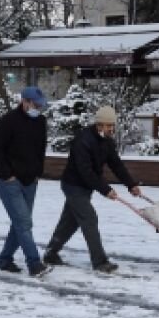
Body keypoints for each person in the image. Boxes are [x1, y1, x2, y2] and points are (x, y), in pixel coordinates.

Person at [43, 105, 142, 274]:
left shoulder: (107, 141)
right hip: (73, 185)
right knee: (89, 218)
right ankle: (100, 261)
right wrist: (105, 190)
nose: (111, 128)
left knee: (70, 222)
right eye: (108, 125)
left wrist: (131, 184)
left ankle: (51, 253)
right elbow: (85, 171)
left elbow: (116, 164)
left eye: (112, 125)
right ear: (99, 125)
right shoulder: (83, 141)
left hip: (86, 187)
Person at [0, 85, 51, 277]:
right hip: (10, 182)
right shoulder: (8, 122)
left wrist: (38, 171)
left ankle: (5, 259)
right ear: (24, 102)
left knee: (20, 223)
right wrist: (7, 174)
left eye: (40, 106)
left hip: (30, 181)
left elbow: (41, 148)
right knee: (23, 223)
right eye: (35, 104)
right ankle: (34, 263)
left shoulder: (40, 122)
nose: (38, 109)